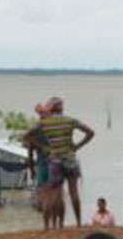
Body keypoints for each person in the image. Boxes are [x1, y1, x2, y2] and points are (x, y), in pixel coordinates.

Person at [37, 97, 96, 226]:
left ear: (51, 109)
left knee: (54, 195)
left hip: (55, 160)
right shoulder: (70, 120)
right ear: (62, 108)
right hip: (70, 159)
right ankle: (78, 222)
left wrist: (43, 147)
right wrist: (77, 146)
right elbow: (90, 132)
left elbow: (27, 135)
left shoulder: (44, 123)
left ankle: (50, 227)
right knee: (74, 192)